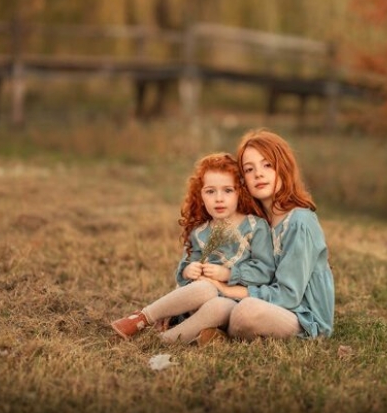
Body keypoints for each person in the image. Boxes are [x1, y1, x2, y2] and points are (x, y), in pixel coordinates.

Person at [110, 152, 275, 345]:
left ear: (240, 192)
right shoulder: (200, 232)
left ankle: (165, 341)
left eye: (228, 190)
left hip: (235, 302)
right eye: (210, 191)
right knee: (205, 289)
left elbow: (265, 270)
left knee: (220, 306)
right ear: (201, 195)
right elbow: (185, 267)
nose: (219, 198)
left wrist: (228, 274)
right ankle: (142, 318)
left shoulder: (255, 227)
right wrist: (189, 270)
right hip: (199, 300)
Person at [204, 129, 335, 340]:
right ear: (243, 180)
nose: (258, 174)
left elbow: (289, 295)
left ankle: (217, 327)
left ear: (283, 168)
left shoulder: (299, 222)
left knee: (245, 312)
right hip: (264, 303)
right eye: (249, 169)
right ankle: (200, 325)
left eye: (267, 165)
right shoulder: (256, 224)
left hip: (302, 318)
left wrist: (228, 291)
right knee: (212, 297)